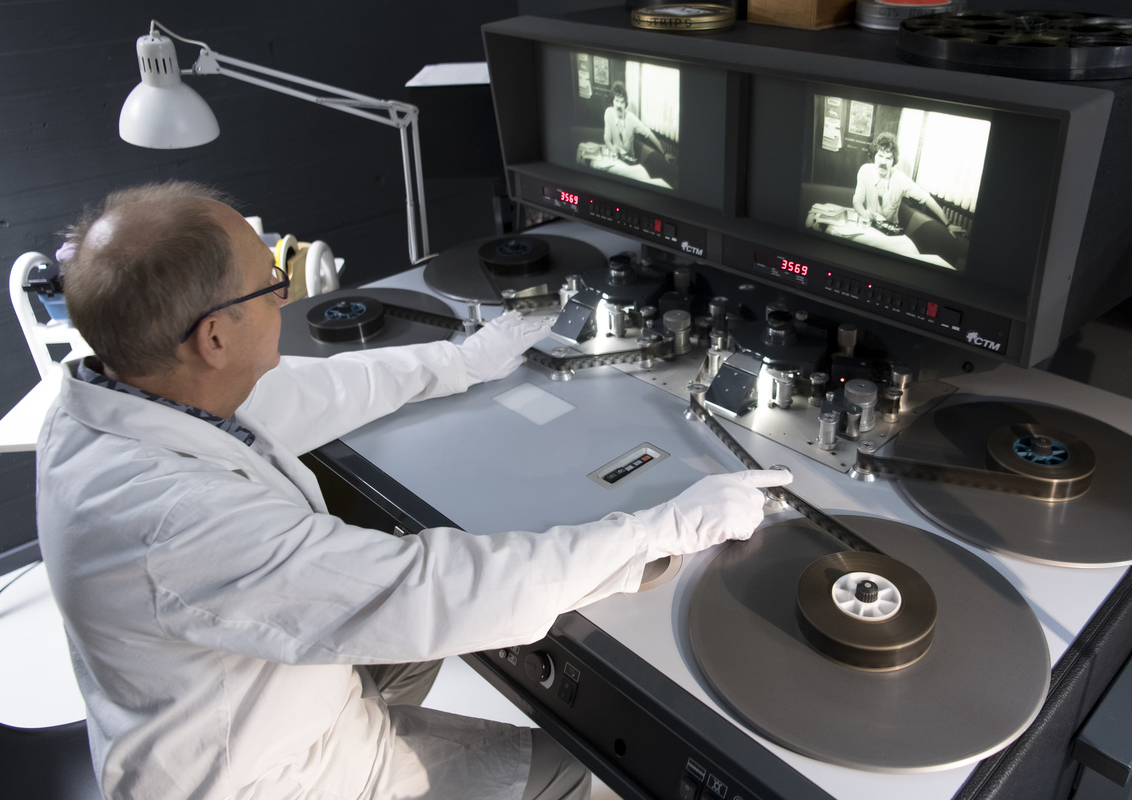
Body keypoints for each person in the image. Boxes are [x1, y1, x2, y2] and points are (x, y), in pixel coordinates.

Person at [36, 181, 792, 800]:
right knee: (573, 769)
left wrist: (464, 362)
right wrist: (660, 529)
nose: (283, 295)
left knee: (431, 636)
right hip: (259, 774)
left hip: (229, 689)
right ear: (214, 337)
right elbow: (427, 589)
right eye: (272, 285)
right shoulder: (173, 520)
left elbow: (300, 391)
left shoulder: (121, 395)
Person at [851, 133, 968, 268]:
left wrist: (948, 224)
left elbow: (926, 198)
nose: (883, 162)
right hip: (868, 227)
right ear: (873, 156)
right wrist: (864, 212)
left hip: (891, 236)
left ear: (893, 161)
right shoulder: (865, 170)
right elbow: (857, 201)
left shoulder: (900, 179)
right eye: (880, 156)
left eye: (888, 158)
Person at [602, 80, 672, 168]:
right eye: (616, 101)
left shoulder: (631, 118)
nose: (619, 105)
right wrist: (613, 149)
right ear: (613, 101)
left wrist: (664, 153)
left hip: (630, 163)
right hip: (615, 159)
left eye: (622, 102)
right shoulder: (608, 113)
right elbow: (607, 139)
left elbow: (648, 133)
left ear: (625, 104)